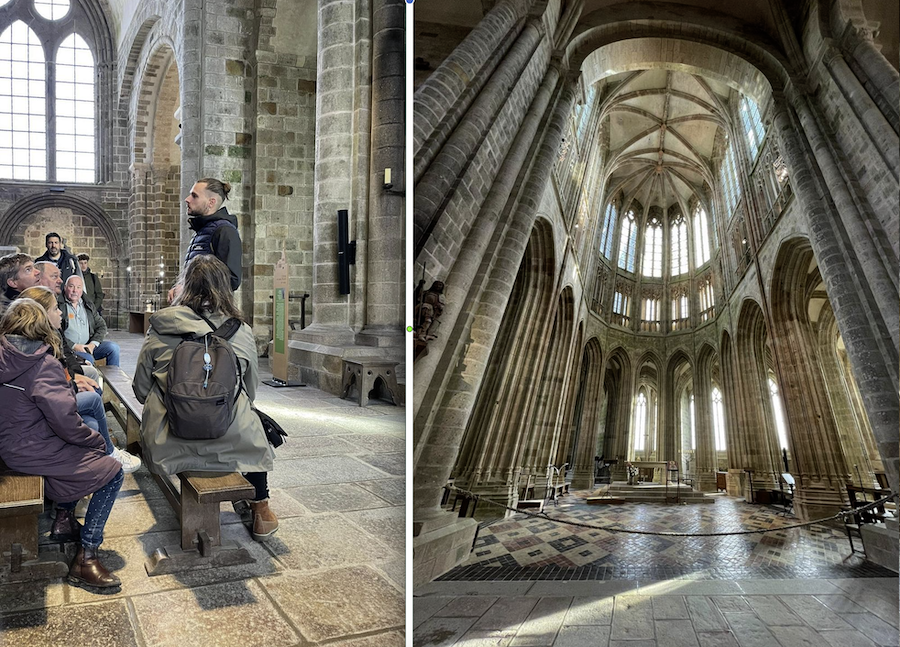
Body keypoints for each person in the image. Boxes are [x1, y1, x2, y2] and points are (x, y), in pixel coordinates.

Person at [135, 255, 277, 541]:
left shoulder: (160, 327)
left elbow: (140, 390)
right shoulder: (242, 331)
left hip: (168, 443)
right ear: (226, 288)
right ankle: (260, 506)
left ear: (185, 286)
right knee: (251, 420)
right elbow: (250, 390)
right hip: (230, 442)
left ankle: (255, 501)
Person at [0, 299, 123, 590]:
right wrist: (98, 443)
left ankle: (64, 519)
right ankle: (86, 556)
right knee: (112, 470)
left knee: (87, 438)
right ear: (41, 326)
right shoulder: (43, 365)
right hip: (28, 449)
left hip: (10, 443)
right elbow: (66, 424)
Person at [19, 286, 140, 473]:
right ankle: (107, 450)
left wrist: (74, 380)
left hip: (45, 402)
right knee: (91, 400)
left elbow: (52, 378)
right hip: (35, 418)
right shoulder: (37, 348)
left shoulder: (43, 337)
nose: (60, 312)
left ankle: (100, 437)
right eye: (55, 309)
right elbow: (44, 389)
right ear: (41, 314)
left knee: (91, 409)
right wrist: (73, 385)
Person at [168, 178, 241, 302]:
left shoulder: (225, 231)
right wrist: (178, 287)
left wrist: (187, 289)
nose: (187, 199)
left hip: (210, 314)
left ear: (211, 202)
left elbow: (231, 280)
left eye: (194, 196)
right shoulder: (202, 231)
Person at [62, 276, 120, 367]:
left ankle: (113, 379)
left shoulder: (88, 305)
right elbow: (56, 333)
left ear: (82, 289)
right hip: (69, 349)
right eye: (71, 286)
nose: (75, 290)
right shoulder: (60, 306)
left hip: (88, 346)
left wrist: (92, 344)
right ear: (65, 288)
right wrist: (74, 346)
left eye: (78, 287)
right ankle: (92, 380)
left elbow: (101, 326)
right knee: (88, 358)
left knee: (113, 348)